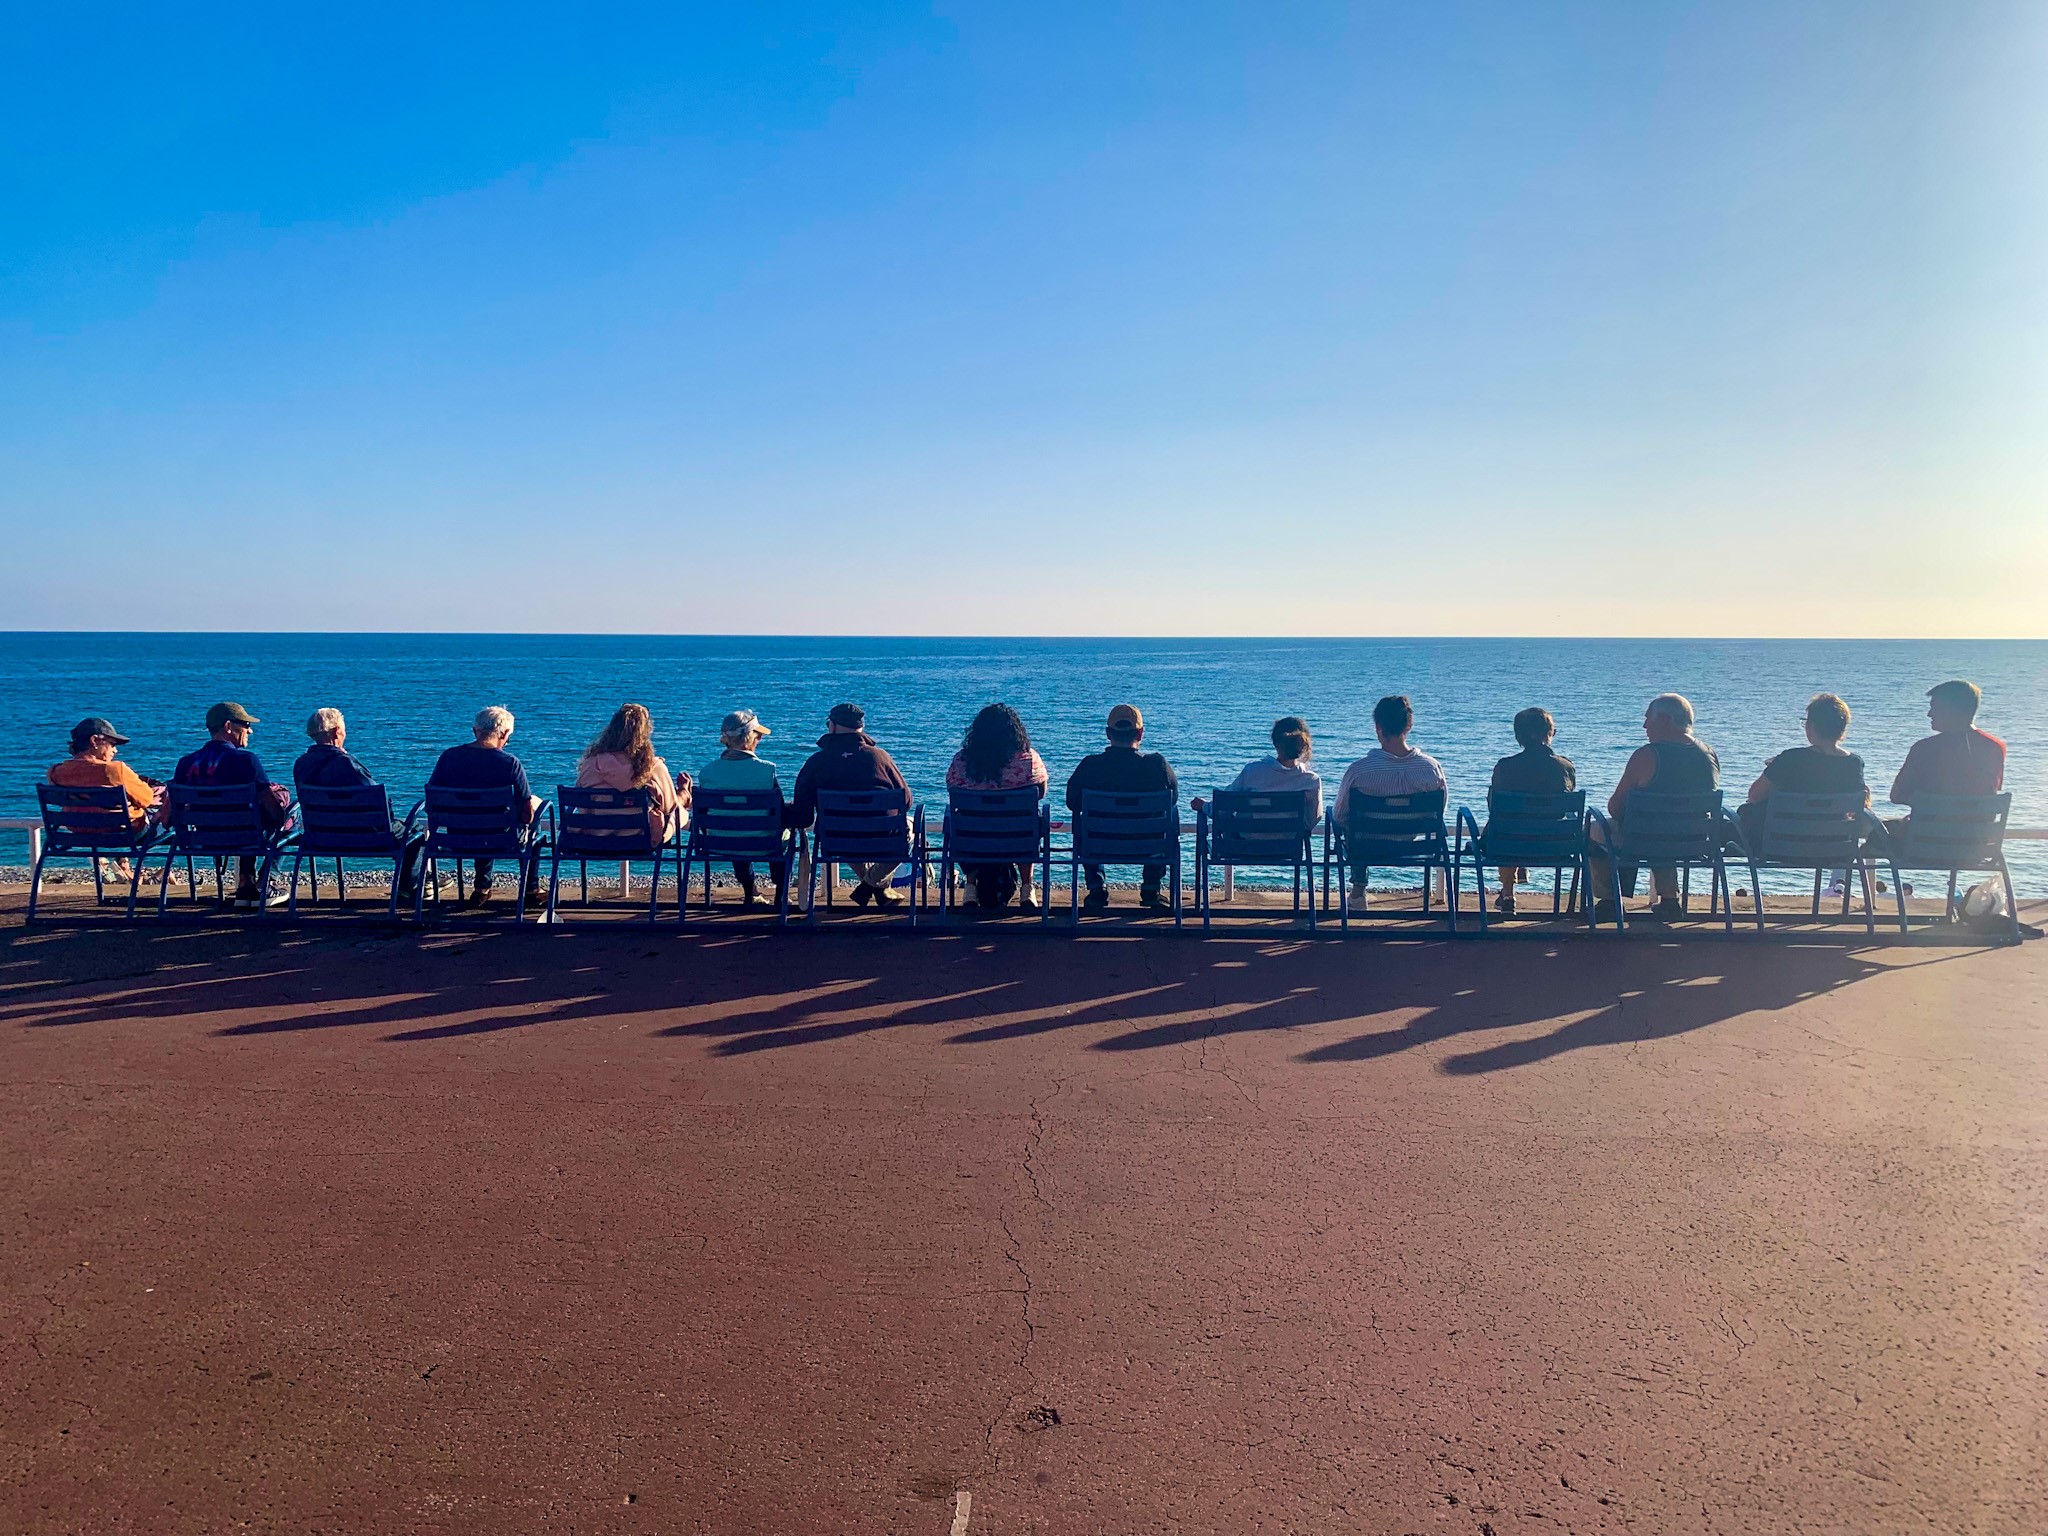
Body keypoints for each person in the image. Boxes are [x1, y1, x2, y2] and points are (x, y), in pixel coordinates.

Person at [1586, 692, 1719, 924]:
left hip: (1647, 838)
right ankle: (1669, 901)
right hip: (1694, 840)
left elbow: (1615, 808)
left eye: (1648, 718)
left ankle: (1610, 900)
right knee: (1662, 828)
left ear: (1665, 720)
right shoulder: (1708, 754)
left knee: (1595, 828)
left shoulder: (1647, 755)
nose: (1645, 725)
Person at [293, 707, 428, 901]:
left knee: (402, 831)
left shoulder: (301, 764)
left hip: (321, 836)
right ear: (336, 732)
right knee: (414, 832)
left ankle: (415, 881)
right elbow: (378, 803)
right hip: (367, 837)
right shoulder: (347, 763)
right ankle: (410, 886)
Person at [790, 702, 913, 908]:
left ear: (832, 727)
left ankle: (869, 885)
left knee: (844, 826)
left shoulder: (817, 761)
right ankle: (873, 885)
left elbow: (803, 814)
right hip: (883, 837)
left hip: (836, 838)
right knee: (908, 828)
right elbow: (906, 801)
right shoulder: (880, 757)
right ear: (861, 727)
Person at [173, 702, 293, 908]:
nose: (250, 730)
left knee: (247, 821)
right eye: (245, 725)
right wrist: (285, 812)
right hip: (245, 836)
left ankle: (247, 885)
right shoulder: (247, 761)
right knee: (290, 817)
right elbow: (274, 812)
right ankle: (265, 881)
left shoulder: (185, 763)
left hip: (203, 838)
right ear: (228, 726)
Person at [427, 706, 547, 910]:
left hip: (457, 838)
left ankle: (482, 888)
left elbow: (433, 802)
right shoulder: (510, 764)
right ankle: (531, 890)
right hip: (501, 840)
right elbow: (527, 816)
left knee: (481, 820)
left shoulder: (448, 757)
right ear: (504, 733)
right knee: (530, 831)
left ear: (475, 731)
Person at [1065, 703, 1178, 913]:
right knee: (1171, 813)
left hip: (1099, 844)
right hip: (1148, 845)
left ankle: (1096, 888)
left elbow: (1072, 803)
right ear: (1141, 733)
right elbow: (1173, 799)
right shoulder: (1157, 765)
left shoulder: (1089, 766)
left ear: (1108, 733)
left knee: (1081, 819)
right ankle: (1151, 888)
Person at [1334, 695, 1447, 906]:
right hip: (1414, 846)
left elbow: (1340, 816)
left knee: (1354, 826)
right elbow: (1438, 813)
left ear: (1378, 727)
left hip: (1366, 847)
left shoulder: (1359, 771)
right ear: (1409, 726)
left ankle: (1358, 891)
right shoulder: (1431, 769)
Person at [945, 703, 1049, 911]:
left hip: (974, 839)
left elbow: (951, 790)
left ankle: (970, 888)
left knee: (962, 819)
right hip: (1016, 839)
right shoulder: (1028, 759)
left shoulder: (961, 761)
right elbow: (1041, 792)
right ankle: (1027, 888)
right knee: (1029, 818)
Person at [1486, 707, 1576, 914]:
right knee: (1517, 826)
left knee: (1507, 827)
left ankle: (1508, 894)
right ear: (1549, 733)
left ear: (1518, 736)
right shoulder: (1565, 767)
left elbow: (1495, 808)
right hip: (1555, 845)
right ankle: (1508, 892)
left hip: (1508, 843)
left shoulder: (1505, 767)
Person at [697, 709, 788, 909]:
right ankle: (781, 894)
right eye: (758, 735)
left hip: (719, 842)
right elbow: (779, 813)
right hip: (764, 844)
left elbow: (702, 815)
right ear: (749, 739)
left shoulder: (707, 772)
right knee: (782, 833)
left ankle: (750, 892)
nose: (760, 739)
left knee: (734, 826)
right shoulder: (767, 770)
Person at [576, 703, 687, 845]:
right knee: (680, 812)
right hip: (639, 844)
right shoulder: (653, 768)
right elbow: (669, 808)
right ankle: (685, 796)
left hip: (594, 842)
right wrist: (682, 794)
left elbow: (581, 806)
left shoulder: (591, 765)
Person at [1889, 680, 2006, 808]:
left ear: (1954, 711)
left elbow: (1897, 796)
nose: (1929, 714)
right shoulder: (1994, 746)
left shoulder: (1924, 748)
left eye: (1935, 708)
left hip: (1931, 821)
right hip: (1979, 821)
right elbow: (1988, 791)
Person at [1193, 716, 1323, 824]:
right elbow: (1313, 819)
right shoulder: (1311, 781)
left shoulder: (1253, 771)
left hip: (1247, 843)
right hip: (1290, 844)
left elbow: (1223, 808)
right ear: (1304, 745)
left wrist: (1204, 806)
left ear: (1275, 742)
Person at [49, 716, 160, 830]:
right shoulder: (116, 770)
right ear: (94, 741)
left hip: (78, 831)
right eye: (112, 744)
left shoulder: (55, 772)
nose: (115, 750)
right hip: (121, 832)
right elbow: (146, 799)